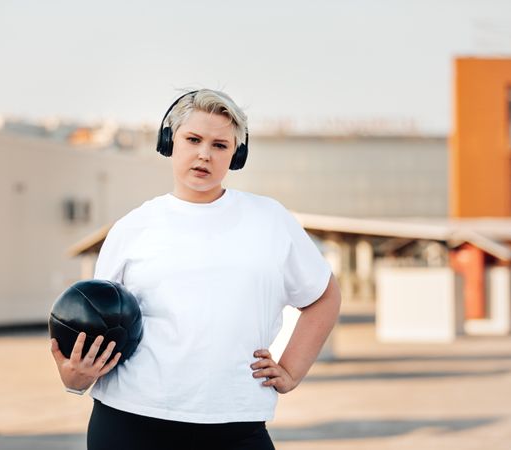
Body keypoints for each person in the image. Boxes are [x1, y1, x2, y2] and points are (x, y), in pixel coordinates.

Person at [50, 89, 342, 450]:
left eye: (220, 145)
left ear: (236, 155)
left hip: (235, 424)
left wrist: (292, 368)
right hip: (132, 422)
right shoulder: (133, 227)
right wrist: (75, 378)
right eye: (193, 139)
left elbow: (324, 295)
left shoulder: (270, 221)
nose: (204, 153)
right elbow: (100, 321)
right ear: (170, 141)